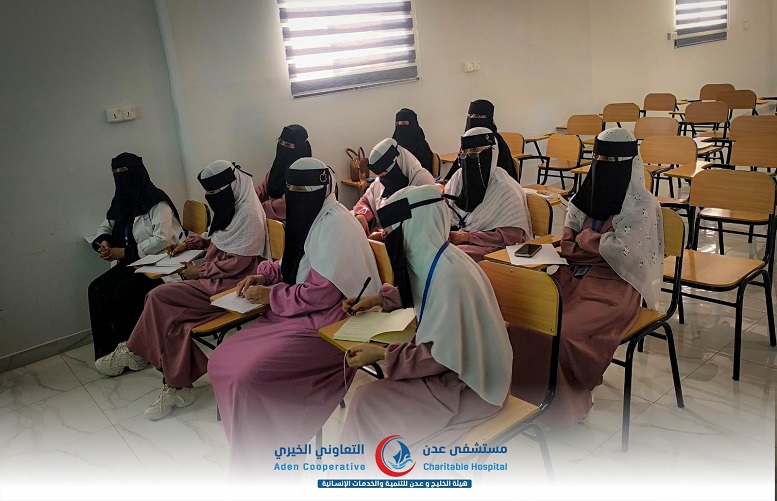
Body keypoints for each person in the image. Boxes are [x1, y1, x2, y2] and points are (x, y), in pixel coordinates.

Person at [208, 157, 381, 477]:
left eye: (303, 192)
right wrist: (265, 275)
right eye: (292, 192)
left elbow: (322, 294)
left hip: (329, 320)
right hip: (293, 310)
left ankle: (268, 459)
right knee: (221, 362)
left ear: (322, 189)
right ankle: (250, 455)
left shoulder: (335, 224)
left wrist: (271, 296)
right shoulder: (309, 215)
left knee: (249, 378)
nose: (297, 199)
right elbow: (293, 261)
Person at [340, 185, 512, 457]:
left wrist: (384, 355)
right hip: (454, 368)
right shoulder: (444, 259)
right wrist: (377, 299)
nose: (388, 238)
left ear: (414, 226)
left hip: (467, 384)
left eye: (392, 232)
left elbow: (440, 357)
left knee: (366, 402)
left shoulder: (450, 278)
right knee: (370, 400)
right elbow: (423, 292)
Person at [509, 128, 664, 428]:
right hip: (572, 274)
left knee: (564, 333)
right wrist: (594, 242)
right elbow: (570, 241)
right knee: (525, 321)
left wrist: (587, 240)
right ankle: (526, 400)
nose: (603, 166)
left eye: (612, 161)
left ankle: (568, 404)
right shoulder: (586, 195)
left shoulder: (642, 205)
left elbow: (623, 256)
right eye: (599, 159)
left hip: (616, 285)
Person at [95, 160, 269, 420]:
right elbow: (214, 235)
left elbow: (240, 264)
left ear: (231, 187)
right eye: (209, 194)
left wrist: (201, 271)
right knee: (174, 321)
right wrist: (189, 244)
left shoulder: (249, 214)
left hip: (234, 286)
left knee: (157, 297)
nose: (213, 198)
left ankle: (134, 350)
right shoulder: (231, 204)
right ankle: (178, 387)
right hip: (213, 278)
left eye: (216, 193)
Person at [88, 152, 183, 360]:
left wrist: (125, 252)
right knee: (96, 289)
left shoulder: (156, 201)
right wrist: (104, 242)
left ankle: (134, 351)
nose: (120, 177)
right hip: (132, 261)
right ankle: (108, 351)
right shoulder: (120, 200)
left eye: (124, 171)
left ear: (138, 173)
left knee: (122, 293)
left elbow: (162, 239)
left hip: (158, 263)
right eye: (115, 172)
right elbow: (106, 225)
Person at [443, 127, 532, 262]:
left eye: (474, 152)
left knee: (452, 256)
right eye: (464, 152)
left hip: (491, 246)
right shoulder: (458, 178)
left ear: (491, 153)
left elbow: (511, 238)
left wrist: (468, 237)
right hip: (458, 240)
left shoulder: (504, 187)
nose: (468, 158)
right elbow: (446, 210)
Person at [352, 138, 436, 240]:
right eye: (380, 176)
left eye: (385, 174)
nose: (383, 180)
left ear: (398, 163)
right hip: (380, 241)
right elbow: (366, 201)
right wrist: (361, 215)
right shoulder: (379, 182)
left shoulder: (422, 183)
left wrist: (384, 235)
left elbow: (421, 224)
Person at [444, 99, 517, 181]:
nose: (472, 118)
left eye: (478, 116)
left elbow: (503, 176)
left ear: (488, 119)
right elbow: (459, 168)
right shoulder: (468, 141)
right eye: (470, 115)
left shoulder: (496, 143)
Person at [255, 124, 312, 222]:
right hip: (271, 220)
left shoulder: (306, 174)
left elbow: (287, 204)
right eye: (280, 142)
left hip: (294, 223)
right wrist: (249, 199)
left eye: (288, 145)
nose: (282, 147)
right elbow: (263, 188)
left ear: (299, 148)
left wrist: (259, 207)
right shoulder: (277, 169)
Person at [392, 108, 435, 175]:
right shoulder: (393, 146)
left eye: (404, 123)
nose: (400, 127)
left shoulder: (422, 148)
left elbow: (425, 173)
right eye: (397, 124)